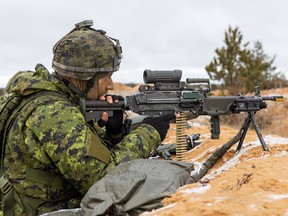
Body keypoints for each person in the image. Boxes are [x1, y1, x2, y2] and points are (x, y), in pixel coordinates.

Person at [0, 20, 175, 215]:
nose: (110, 85)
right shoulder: (55, 113)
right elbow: (105, 182)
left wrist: (114, 133)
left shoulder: (52, 98)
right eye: (106, 76)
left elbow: (82, 161)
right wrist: (149, 132)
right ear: (83, 77)